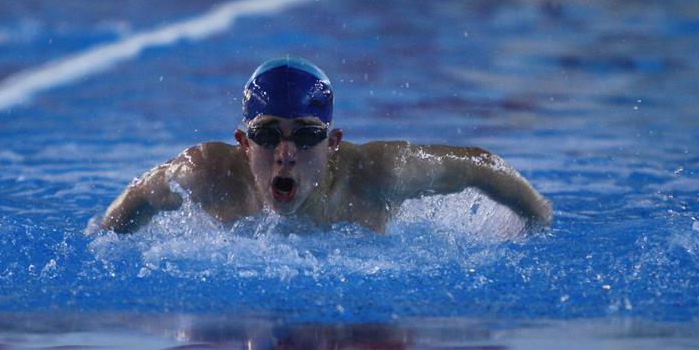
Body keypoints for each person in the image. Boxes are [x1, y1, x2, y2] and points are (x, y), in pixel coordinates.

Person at [101, 57, 552, 234]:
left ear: (333, 143)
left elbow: (481, 165)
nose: (285, 152)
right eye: (267, 134)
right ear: (242, 143)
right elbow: (139, 194)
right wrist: (101, 241)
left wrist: (536, 221)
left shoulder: (380, 174)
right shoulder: (205, 174)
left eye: (306, 134)